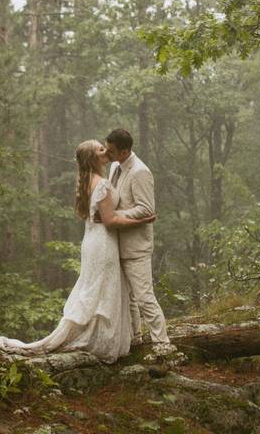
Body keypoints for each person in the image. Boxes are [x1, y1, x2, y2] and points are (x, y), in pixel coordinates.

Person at [0, 139, 155, 363]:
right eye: (101, 149)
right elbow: (110, 221)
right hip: (103, 242)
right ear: (93, 158)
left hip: (92, 241)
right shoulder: (101, 183)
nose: (106, 150)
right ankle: (99, 340)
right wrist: (143, 220)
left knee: (95, 289)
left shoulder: (89, 179)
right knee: (100, 291)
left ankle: (114, 336)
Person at [104, 129, 174, 354]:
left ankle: (162, 344)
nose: (108, 153)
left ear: (125, 151)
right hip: (116, 243)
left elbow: (146, 209)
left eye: (112, 150)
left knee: (144, 297)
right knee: (129, 298)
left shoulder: (141, 172)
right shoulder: (114, 166)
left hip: (136, 246)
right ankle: (136, 338)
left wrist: (114, 217)